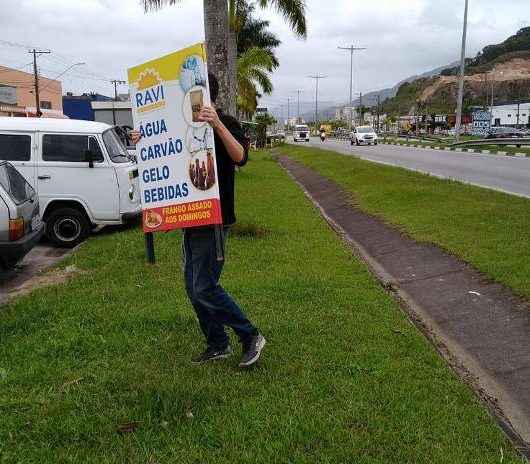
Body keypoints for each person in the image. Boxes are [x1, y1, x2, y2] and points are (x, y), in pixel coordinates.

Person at [131, 73, 265, 368]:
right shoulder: (184, 125)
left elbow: (240, 156)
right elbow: (162, 157)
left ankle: (250, 335)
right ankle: (218, 343)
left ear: (204, 94)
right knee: (194, 287)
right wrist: (143, 140)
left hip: (215, 218)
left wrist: (216, 123)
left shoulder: (226, 122)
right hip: (191, 218)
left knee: (204, 286)